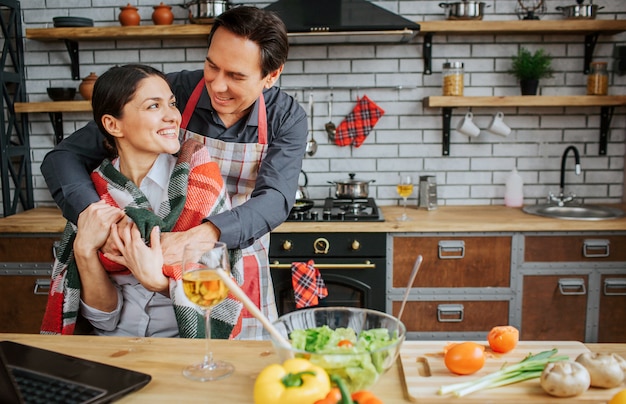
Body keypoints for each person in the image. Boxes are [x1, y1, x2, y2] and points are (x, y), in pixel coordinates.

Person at [40, 6, 308, 339]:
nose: (218, 85)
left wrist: (202, 236)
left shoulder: (287, 117)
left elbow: (276, 198)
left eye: (236, 76)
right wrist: (95, 220)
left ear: (271, 76)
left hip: (234, 258)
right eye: (212, 65)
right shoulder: (174, 93)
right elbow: (63, 157)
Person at [41, 64, 244, 338]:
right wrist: (85, 251)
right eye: (153, 106)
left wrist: (159, 282)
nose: (172, 116)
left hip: (186, 347)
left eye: (172, 104)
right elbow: (104, 321)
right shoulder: (96, 196)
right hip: (111, 348)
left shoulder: (201, 183)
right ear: (113, 125)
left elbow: (218, 301)